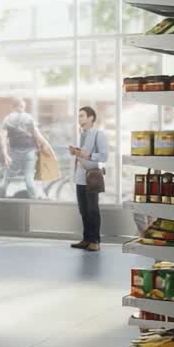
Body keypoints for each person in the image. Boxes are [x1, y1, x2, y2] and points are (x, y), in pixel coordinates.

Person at [69, 106, 109, 252]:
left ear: (91, 118)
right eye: (79, 116)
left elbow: (104, 156)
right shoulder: (81, 135)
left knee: (93, 209)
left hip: (91, 177)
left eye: (82, 116)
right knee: (83, 210)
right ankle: (86, 239)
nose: (80, 119)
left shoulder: (99, 134)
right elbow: (81, 154)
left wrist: (88, 156)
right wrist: (75, 152)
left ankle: (95, 241)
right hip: (80, 177)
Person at [0, 98, 43, 199]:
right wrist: (45, 147)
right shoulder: (29, 118)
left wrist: (5, 155)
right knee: (29, 179)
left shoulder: (7, 119)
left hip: (14, 152)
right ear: (22, 106)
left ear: (13, 107)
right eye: (23, 106)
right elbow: (37, 135)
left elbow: (3, 139)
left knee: (6, 179)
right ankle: (34, 201)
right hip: (29, 152)